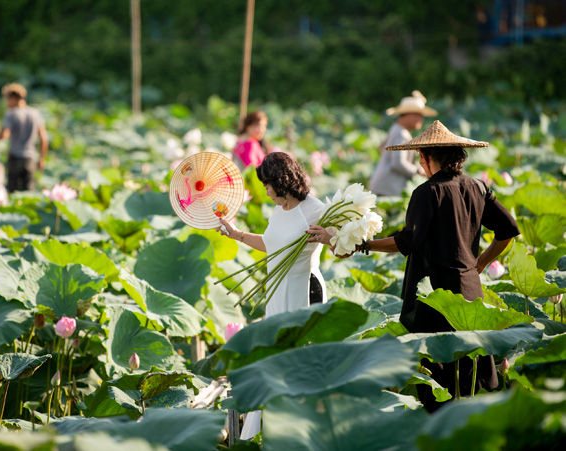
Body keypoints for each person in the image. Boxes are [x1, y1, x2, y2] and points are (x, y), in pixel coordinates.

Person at [308, 121, 520, 412]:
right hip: (470, 294)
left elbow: (407, 241)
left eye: (421, 156)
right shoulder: (478, 187)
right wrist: (479, 263)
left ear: (426, 157)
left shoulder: (426, 192)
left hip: (434, 299)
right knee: (467, 384)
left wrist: (361, 244)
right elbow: (508, 230)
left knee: (438, 388)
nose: (420, 163)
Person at [218, 151, 327, 439]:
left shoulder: (315, 209)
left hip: (304, 289)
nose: (265, 191)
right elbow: (270, 244)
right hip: (278, 290)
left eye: (267, 185)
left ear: (281, 180)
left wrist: (329, 234)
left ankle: (306, 429)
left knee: (300, 361)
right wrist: (236, 234)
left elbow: (342, 244)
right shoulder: (279, 210)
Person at [0, 83, 48, 192]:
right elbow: (44, 139)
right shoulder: (35, 113)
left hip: (15, 157)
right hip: (30, 158)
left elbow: (5, 135)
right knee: (29, 192)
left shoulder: (11, 114)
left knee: (12, 192)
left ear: (13, 98)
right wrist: (42, 159)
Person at [369, 90, 437, 196]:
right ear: (409, 115)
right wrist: (418, 171)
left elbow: (382, 147)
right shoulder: (401, 134)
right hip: (387, 190)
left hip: (383, 187)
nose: (421, 120)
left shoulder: (396, 129)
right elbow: (398, 163)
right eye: (419, 115)